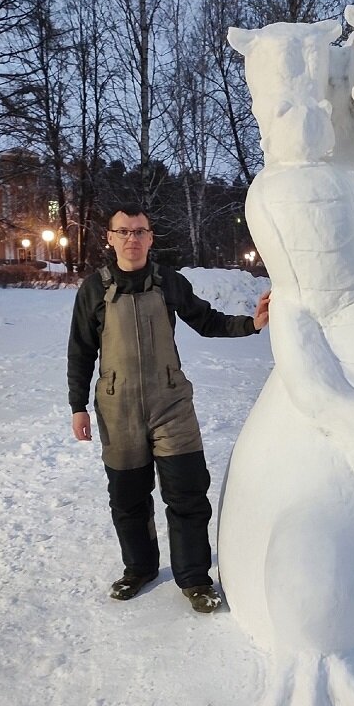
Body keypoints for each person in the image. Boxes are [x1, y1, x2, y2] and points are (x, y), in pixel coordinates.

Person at [68, 207, 270, 611]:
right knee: (127, 497)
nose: (132, 238)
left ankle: (194, 578)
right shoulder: (95, 288)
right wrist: (78, 406)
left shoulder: (169, 282)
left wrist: (251, 324)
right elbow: (81, 350)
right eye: (123, 231)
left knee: (188, 492)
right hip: (117, 408)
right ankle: (139, 567)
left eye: (140, 231)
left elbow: (205, 319)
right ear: (109, 237)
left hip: (171, 403)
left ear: (150, 237)